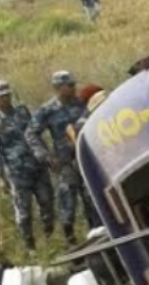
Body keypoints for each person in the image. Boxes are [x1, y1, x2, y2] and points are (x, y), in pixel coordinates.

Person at [27, 71, 101, 246]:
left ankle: (97, 234)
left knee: (91, 197)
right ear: (58, 88)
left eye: (74, 84)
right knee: (68, 200)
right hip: (65, 163)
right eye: (70, 85)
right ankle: (70, 240)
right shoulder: (48, 110)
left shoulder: (82, 104)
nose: (74, 88)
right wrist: (46, 156)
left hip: (86, 157)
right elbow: (31, 133)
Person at [0, 80, 55, 252]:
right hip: (17, 172)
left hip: (37, 166)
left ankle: (50, 239)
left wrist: (46, 156)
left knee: (47, 202)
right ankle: (30, 247)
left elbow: (35, 134)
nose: (5, 98)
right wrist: (0, 177)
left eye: (7, 95)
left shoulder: (22, 111)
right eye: (1, 96)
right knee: (24, 212)